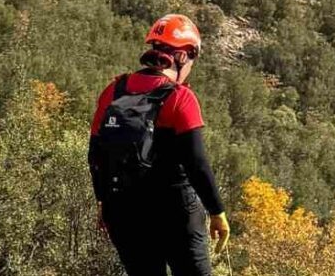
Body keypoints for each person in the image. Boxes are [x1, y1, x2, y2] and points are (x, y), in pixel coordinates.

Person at [88, 14, 231, 276]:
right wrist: (217, 212)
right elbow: (196, 163)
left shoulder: (114, 90)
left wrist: (103, 202)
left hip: (124, 211)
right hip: (176, 214)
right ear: (182, 56)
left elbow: (95, 155)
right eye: (192, 59)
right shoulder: (180, 98)